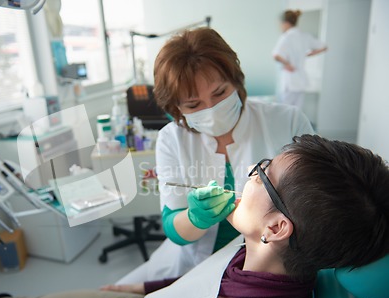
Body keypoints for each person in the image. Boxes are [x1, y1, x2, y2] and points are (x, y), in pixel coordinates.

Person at [0, 135, 389, 298]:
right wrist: (137, 288)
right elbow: (195, 290)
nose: (251, 174)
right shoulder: (267, 256)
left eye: (263, 173)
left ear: (278, 226)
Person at [116, 27, 314, 284]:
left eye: (220, 93)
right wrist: (194, 218)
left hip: (272, 267)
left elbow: (316, 200)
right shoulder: (171, 139)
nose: (212, 109)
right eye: (193, 105)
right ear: (175, 109)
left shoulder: (288, 121)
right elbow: (173, 226)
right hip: (193, 266)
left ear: (236, 80)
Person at [272, 10, 328, 110]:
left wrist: (287, 64)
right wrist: (308, 54)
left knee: (285, 110)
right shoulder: (305, 36)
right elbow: (324, 47)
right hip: (301, 80)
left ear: (286, 23)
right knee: (297, 111)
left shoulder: (286, 37)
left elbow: (276, 55)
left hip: (289, 80)